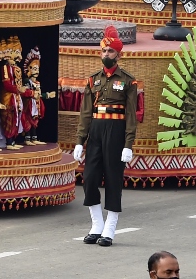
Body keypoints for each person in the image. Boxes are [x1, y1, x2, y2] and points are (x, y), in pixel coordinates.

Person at [74, 26, 138, 247]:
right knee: (90, 178)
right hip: (96, 131)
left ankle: (110, 229)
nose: (106, 55)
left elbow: (131, 115)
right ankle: (96, 225)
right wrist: (80, 141)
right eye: (103, 51)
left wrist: (128, 144)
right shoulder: (93, 81)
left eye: (110, 51)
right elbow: (85, 112)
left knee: (112, 179)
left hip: (116, 132)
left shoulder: (128, 81)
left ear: (118, 55)